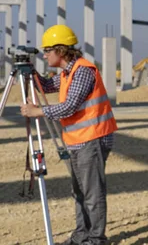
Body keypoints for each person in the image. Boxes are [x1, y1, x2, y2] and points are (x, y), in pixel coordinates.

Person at [20, 24, 117, 245]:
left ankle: (96, 239)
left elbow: (69, 106)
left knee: (92, 194)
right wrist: (30, 72)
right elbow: (45, 85)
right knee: (79, 192)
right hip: (79, 140)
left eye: (47, 51)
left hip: (93, 138)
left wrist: (38, 111)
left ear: (61, 50)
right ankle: (82, 235)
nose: (44, 55)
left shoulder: (82, 71)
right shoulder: (67, 74)